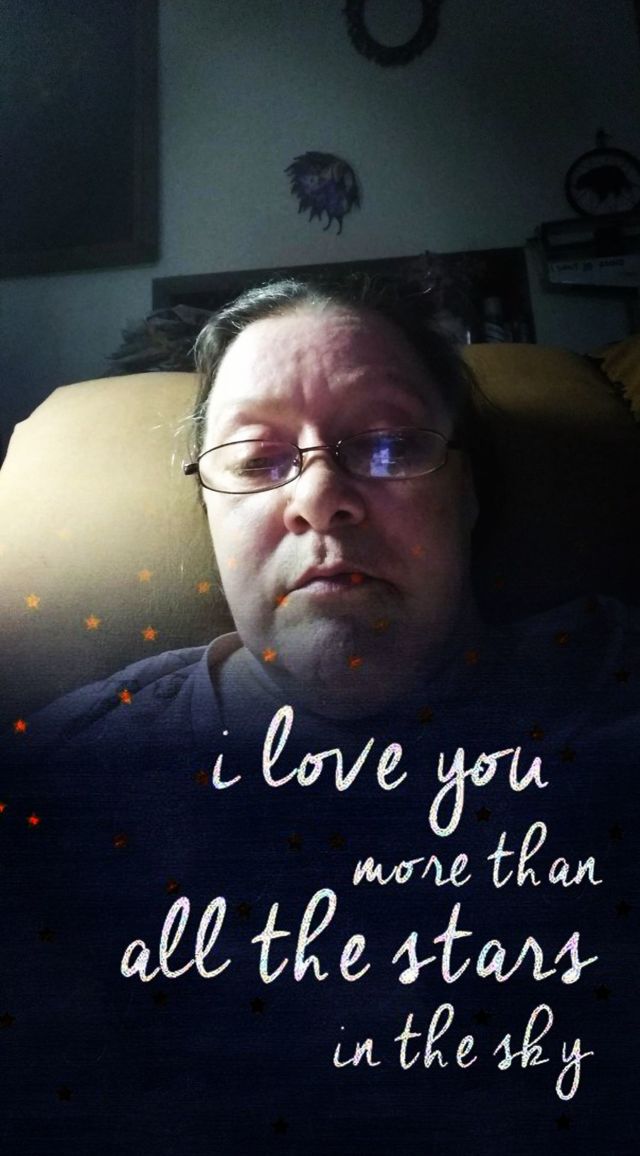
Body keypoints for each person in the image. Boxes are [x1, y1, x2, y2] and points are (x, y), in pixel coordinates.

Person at [2, 279, 639, 1156]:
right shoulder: (57, 786)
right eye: (256, 460)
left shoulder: (614, 682)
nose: (319, 496)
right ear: (209, 512)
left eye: (387, 443)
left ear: (467, 491)